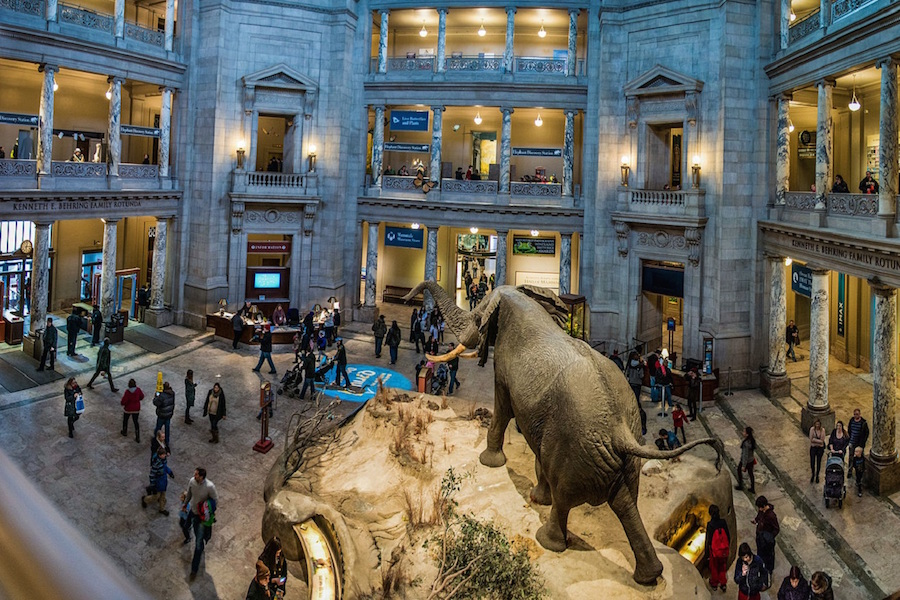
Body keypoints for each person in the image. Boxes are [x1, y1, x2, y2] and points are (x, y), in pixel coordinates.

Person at [184, 467, 218, 581]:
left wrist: (209, 512)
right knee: (187, 527)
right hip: (193, 512)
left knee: (198, 544)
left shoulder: (209, 487)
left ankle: (194, 569)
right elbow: (189, 494)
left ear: (202, 477)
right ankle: (200, 541)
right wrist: (185, 504)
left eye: (196, 474)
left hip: (202, 518)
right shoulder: (192, 481)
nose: (194, 476)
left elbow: (215, 500)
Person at [141, 446, 175, 515]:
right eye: (164, 454)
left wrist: (170, 472)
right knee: (156, 496)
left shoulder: (163, 461)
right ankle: (145, 499)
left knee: (163, 496)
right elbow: (152, 475)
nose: (165, 455)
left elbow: (165, 467)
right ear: (160, 455)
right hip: (158, 483)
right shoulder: (156, 464)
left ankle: (162, 509)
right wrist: (153, 485)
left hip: (163, 482)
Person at [705, 504, 730, 593]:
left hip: (715, 551)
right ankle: (723, 583)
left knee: (714, 567)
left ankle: (714, 584)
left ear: (710, 514)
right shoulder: (723, 522)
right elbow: (728, 535)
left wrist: (707, 553)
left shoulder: (710, 524)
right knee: (722, 566)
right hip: (723, 550)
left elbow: (708, 540)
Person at [753, 495, 779, 574]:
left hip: (767, 540)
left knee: (768, 556)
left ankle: (769, 570)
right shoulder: (761, 511)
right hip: (760, 537)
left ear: (764, 506)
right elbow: (759, 516)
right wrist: (756, 520)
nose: (759, 509)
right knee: (760, 553)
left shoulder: (771, 516)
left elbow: (776, 529)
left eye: (760, 507)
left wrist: (769, 537)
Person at [152, 381, 176, 449]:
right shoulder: (172, 393)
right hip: (169, 414)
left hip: (162, 415)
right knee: (167, 428)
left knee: (158, 427)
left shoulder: (162, 396)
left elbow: (155, 403)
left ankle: (156, 439)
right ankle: (167, 442)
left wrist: (156, 396)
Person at [736, 426, 757, 493]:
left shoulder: (746, 444)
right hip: (751, 460)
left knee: (739, 470)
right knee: (751, 474)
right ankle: (752, 488)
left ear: (747, 434)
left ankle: (740, 485)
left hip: (746, 461)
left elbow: (745, 455)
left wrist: (744, 465)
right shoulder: (752, 441)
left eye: (744, 432)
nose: (743, 433)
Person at [809, 418, 826, 483]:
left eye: (818, 424)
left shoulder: (822, 430)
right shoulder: (812, 429)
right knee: (812, 462)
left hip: (820, 448)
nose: (817, 425)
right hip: (813, 447)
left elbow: (822, 441)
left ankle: (817, 475)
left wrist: (815, 440)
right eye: (816, 424)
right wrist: (818, 441)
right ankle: (813, 474)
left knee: (819, 462)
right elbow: (811, 439)